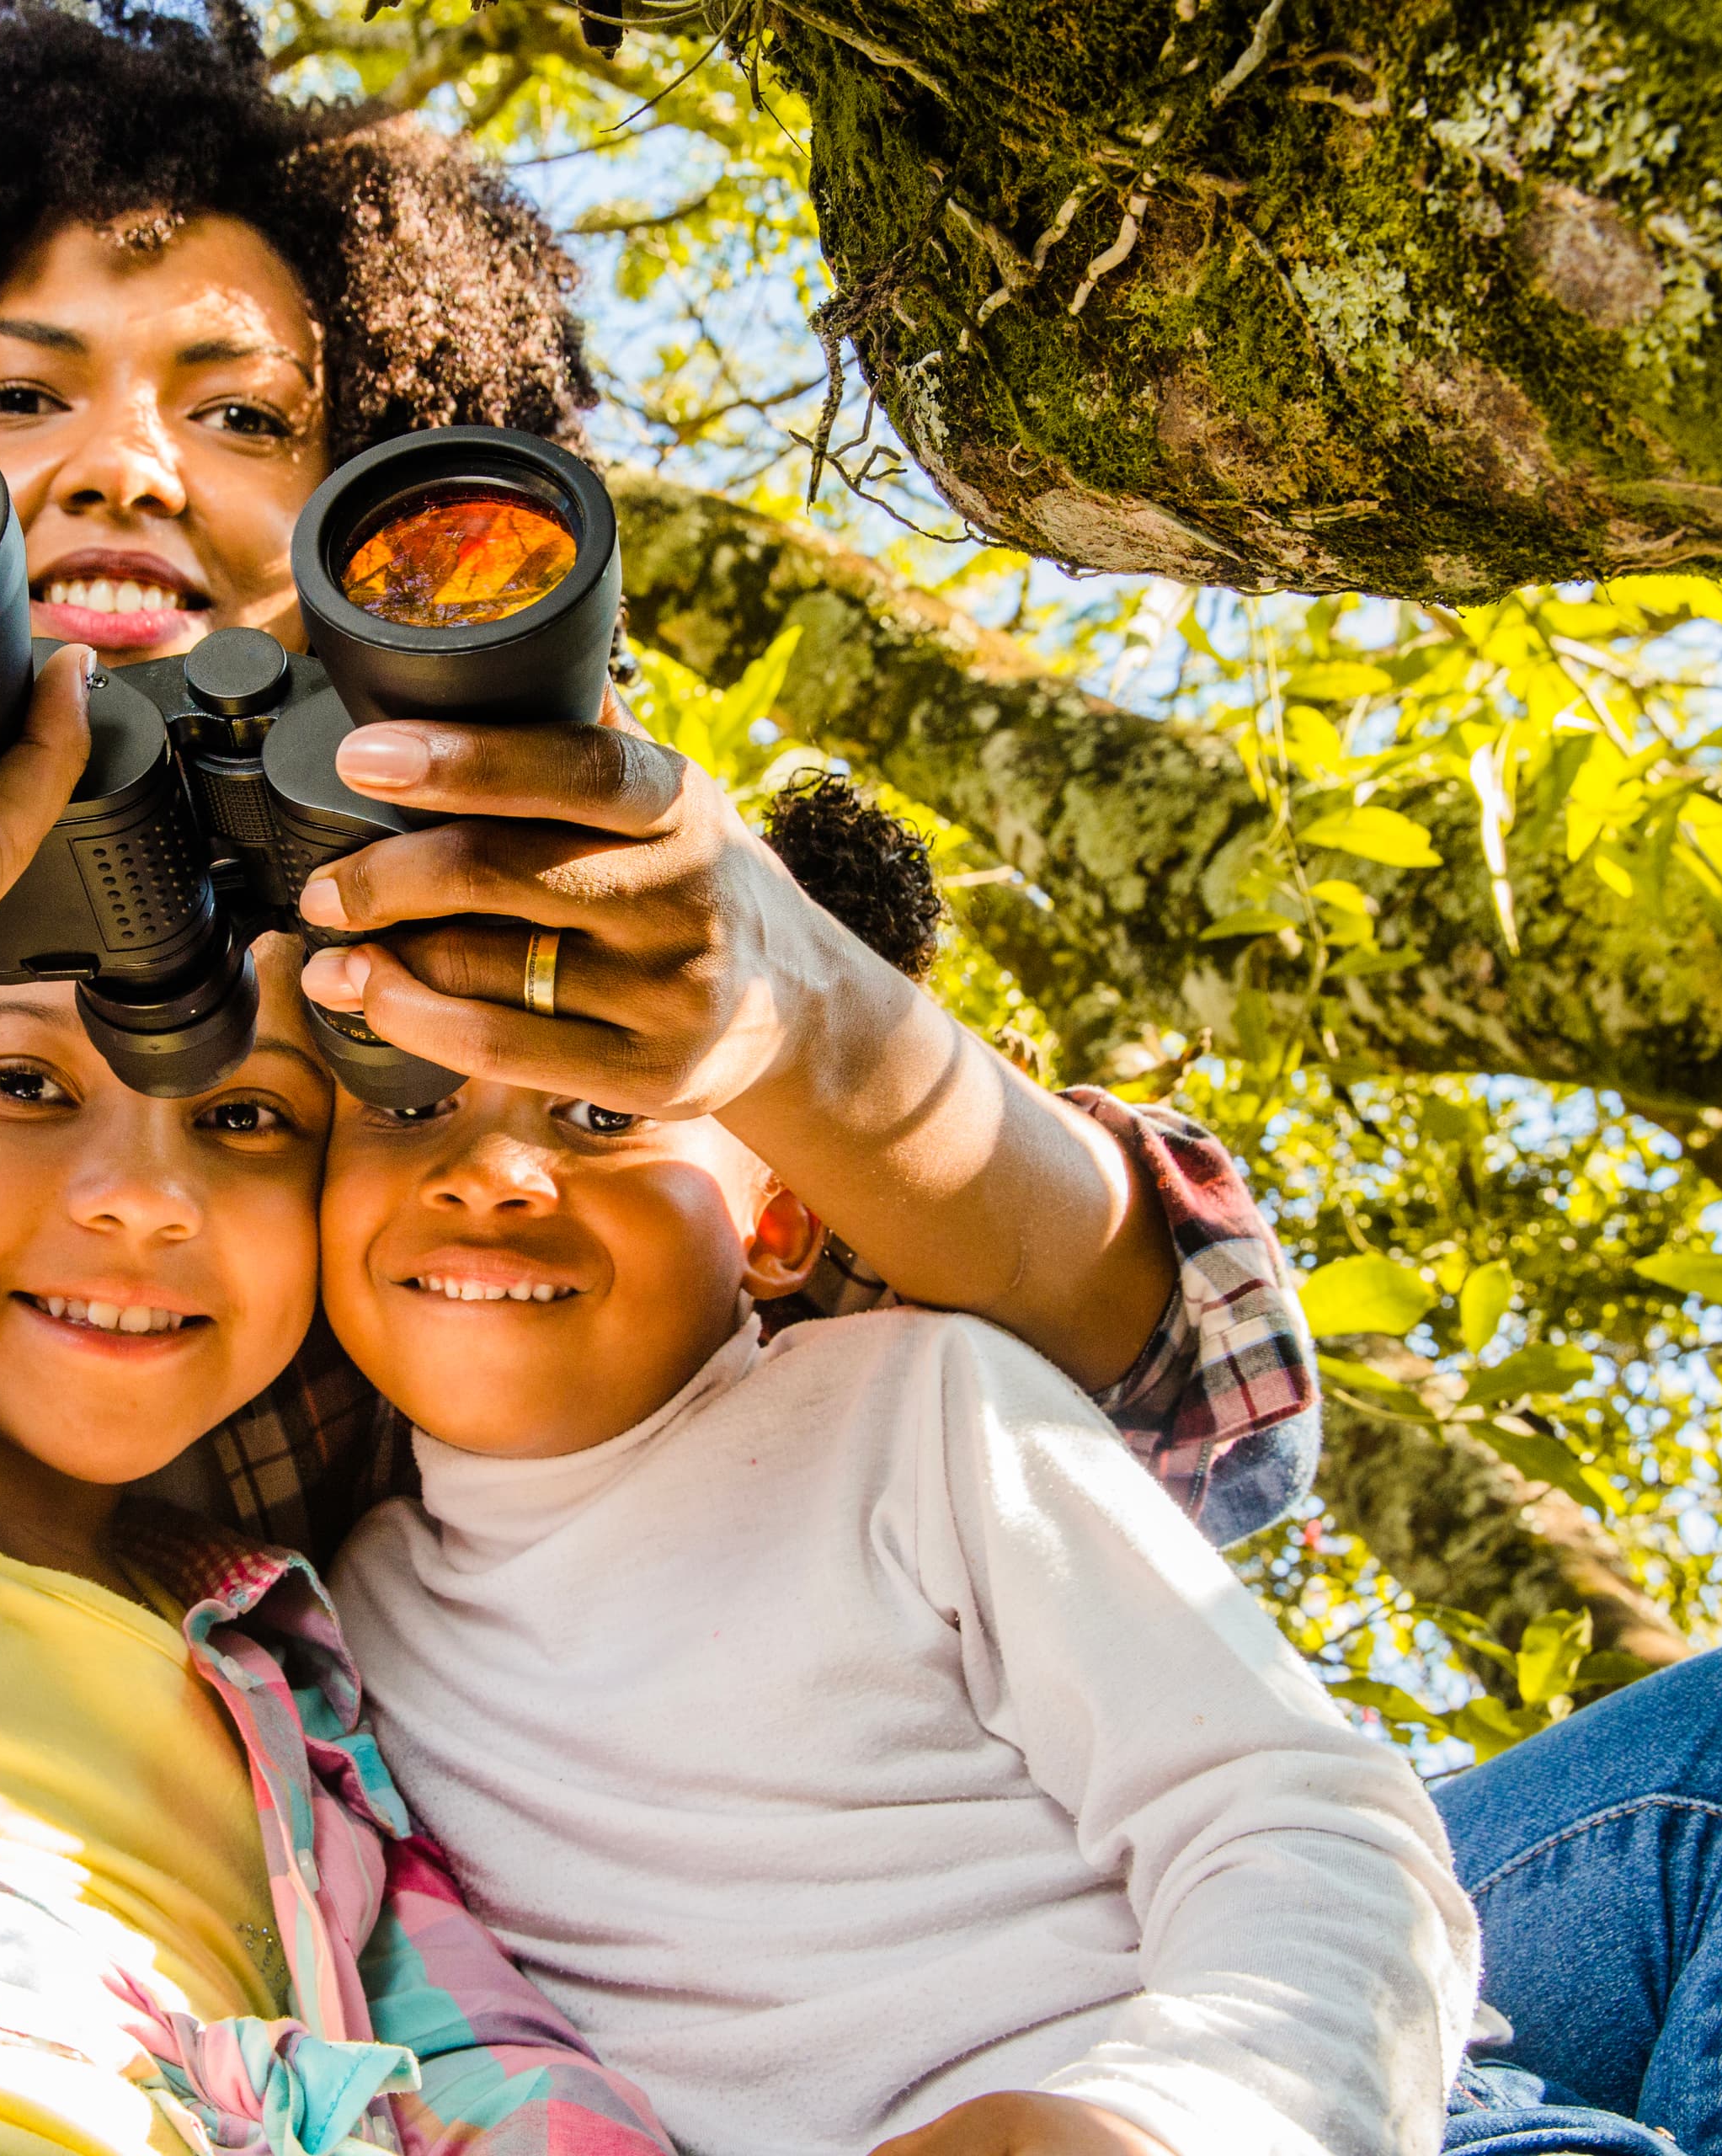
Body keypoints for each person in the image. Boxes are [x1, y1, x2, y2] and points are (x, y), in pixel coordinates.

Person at [0, 9, 1314, 2156]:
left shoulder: (473, 1209)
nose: (124, 467)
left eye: (246, 411)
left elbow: (1175, 1428)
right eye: (16, 397)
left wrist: (794, 1024)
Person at [317, 851, 1483, 2156]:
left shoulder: (914, 1407)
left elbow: (1300, 1817)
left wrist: (1164, 2125)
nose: (494, 1174)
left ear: (784, 1225)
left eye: (600, 1119)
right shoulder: (330, 1622)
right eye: (412, 1106)